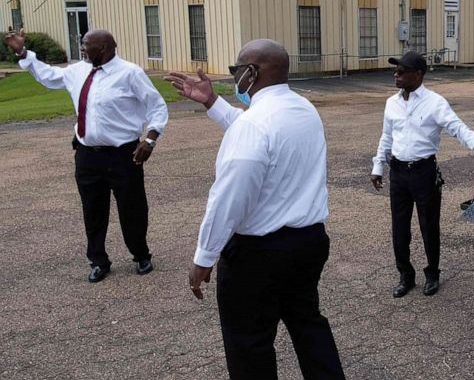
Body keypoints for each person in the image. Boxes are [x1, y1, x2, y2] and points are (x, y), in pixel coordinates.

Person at [166, 39, 345, 379]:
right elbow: (257, 129)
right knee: (308, 325)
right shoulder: (303, 109)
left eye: (236, 70)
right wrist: (212, 101)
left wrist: (204, 258)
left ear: (252, 72)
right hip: (308, 243)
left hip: (258, 256)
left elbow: (229, 198)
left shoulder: (254, 124)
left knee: (249, 343)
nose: (234, 78)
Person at [4, 27, 166, 283]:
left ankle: (140, 254)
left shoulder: (130, 73)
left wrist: (149, 139)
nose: (81, 48)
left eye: (85, 44)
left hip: (123, 154)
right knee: (92, 209)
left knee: (132, 207)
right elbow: (48, 76)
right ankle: (98, 261)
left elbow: (157, 106)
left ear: (103, 49)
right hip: (87, 155)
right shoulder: (78, 71)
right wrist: (23, 52)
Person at [371, 51, 474, 298]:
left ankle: (432, 274)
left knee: (428, 227)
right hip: (398, 172)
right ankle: (405, 275)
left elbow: (458, 129)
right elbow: (386, 137)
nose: (396, 75)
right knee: (399, 229)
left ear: (418, 74)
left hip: (424, 173)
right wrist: (378, 166)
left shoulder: (435, 103)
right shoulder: (392, 103)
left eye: (401, 71)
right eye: (395, 70)